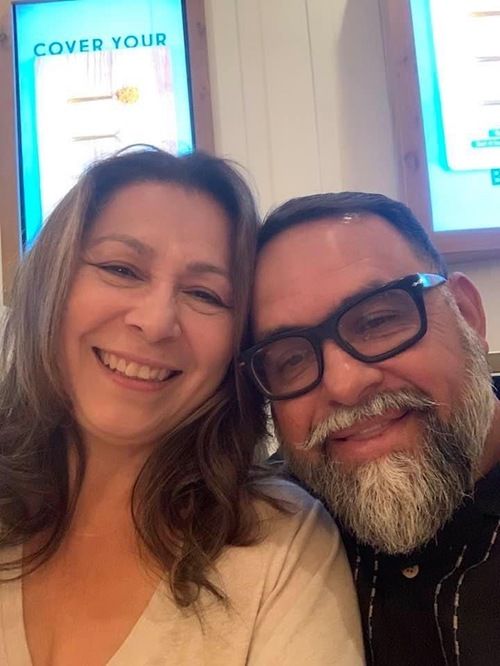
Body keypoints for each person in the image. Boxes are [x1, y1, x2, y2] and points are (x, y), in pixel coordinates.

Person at [0, 153, 364, 665]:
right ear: (52, 282)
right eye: (121, 269)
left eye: (204, 294)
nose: (155, 322)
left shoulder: (280, 546)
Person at [241, 191, 500, 666]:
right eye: (291, 359)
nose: (345, 384)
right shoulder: (261, 538)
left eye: (378, 320)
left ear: (467, 313)